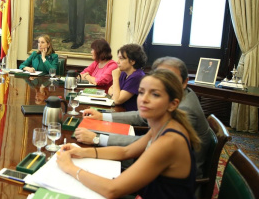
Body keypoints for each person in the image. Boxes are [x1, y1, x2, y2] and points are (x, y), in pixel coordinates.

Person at [57, 69, 200, 198]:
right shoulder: (163, 125)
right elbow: (126, 151)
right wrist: (82, 152)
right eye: (142, 92)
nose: (144, 99)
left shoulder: (170, 140)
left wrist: (70, 168)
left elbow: (111, 190)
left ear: (173, 104)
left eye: (155, 94)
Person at [75, 56, 211, 177]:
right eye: (160, 77)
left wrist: (97, 139)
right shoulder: (173, 99)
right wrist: (103, 117)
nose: (164, 83)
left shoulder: (183, 112)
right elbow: (139, 119)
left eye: (170, 78)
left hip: (166, 179)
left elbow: (114, 188)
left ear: (184, 82)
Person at [108, 43, 147, 111]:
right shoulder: (124, 73)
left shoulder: (137, 76)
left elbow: (117, 100)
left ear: (132, 61)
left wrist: (115, 78)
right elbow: (110, 89)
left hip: (131, 117)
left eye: (121, 59)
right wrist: (114, 95)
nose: (117, 62)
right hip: (120, 111)